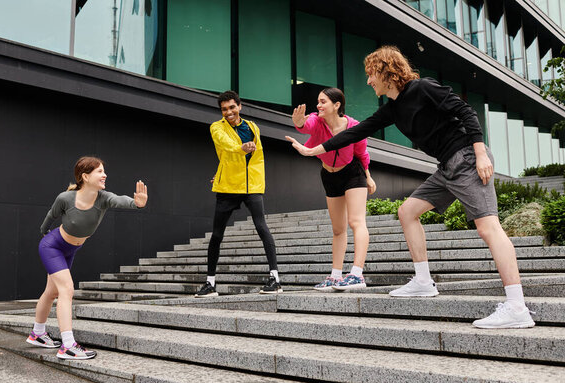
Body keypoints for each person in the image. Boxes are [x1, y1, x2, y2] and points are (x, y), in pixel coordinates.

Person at [286, 46, 535, 329]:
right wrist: (313, 150)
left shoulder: (422, 88)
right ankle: (423, 280)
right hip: (446, 167)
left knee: (488, 227)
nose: (369, 81)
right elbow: (356, 131)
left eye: (371, 74)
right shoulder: (393, 108)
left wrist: (479, 153)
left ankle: (517, 307)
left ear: (385, 71)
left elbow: (465, 111)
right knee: (407, 212)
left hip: (466, 158)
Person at [27, 156, 148, 359]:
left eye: (103, 171)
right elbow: (51, 215)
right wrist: (44, 232)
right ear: (85, 176)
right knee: (67, 289)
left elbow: (120, 200)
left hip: (70, 250)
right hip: (53, 246)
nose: (104, 175)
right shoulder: (65, 198)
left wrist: (137, 204)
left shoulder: (103, 198)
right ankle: (68, 346)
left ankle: (37, 334)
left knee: (51, 292)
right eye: (99, 171)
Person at [195, 91, 281, 297]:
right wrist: (241, 148)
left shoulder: (252, 127)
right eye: (224, 109)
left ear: (239, 106)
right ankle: (210, 283)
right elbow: (225, 144)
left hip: (252, 186)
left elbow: (257, 157)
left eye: (232, 107)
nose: (229, 112)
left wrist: (257, 179)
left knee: (262, 227)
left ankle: (275, 279)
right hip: (228, 187)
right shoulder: (216, 127)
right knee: (217, 234)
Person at [292, 88, 376, 291]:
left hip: (353, 173)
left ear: (336, 105)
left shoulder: (353, 126)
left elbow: (361, 153)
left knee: (356, 221)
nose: (318, 105)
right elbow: (306, 126)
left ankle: (357, 274)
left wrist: (368, 177)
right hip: (329, 175)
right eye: (318, 102)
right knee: (338, 229)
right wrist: (299, 122)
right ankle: (335, 276)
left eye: (323, 102)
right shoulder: (316, 120)